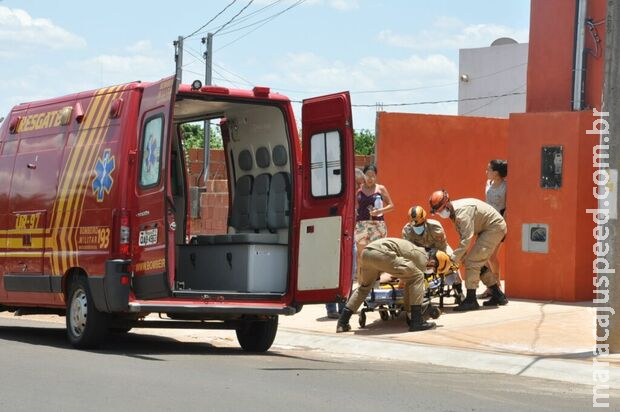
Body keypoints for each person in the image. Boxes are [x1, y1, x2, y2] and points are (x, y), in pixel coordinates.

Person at [336, 237, 456, 333]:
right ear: (433, 261)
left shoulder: (415, 252)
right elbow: (412, 279)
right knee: (418, 276)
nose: (432, 271)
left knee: (364, 288)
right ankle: (416, 321)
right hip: (381, 253)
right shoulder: (422, 256)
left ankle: (342, 322)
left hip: (367, 253)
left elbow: (406, 277)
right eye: (435, 269)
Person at [429, 189, 508, 312]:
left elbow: (466, 239)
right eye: (438, 212)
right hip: (487, 229)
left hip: (494, 228)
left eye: (440, 210)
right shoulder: (453, 212)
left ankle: (471, 300)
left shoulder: (462, 213)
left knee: (472, 262)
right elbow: (463, 236)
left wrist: (452, 259)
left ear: (447, 204)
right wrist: (461, 256)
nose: (440, 214)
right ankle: (498, 295)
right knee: (471, 260)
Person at [402, 205, 464, 303]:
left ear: (424, 220)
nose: (417, 227)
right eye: (415, 225)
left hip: (438, 250)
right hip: (420, 253)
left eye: (420, 225)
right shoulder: (407, 230)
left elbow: (442, 247)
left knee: (451, 262)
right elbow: (408, 251)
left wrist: (434, 259)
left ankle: (458, 290)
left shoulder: (435, 226)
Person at [326, 168, 366, 318]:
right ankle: (331, 309)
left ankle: (344, 307)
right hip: (336, 238)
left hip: (350, 238)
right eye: (357, 184)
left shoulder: (356, 196)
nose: (359, 187)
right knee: (332, 273)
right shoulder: (338, 194)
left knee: (349, 272)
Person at [354, 164, 394, 279]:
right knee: (361, 256)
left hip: (377, 226)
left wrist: (380, 211)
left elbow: (391, 206)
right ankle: (362, 284)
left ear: (376, 177)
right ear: (364, 175)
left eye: (373, 176)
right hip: (362, 225)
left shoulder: (380, 189)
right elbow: (355, 205)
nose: (370, 178)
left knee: (377, 255)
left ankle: (376, 285)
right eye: (368, 175)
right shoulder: (358, 189)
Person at [480, 159, 508, 298]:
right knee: (482, 256)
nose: (487, 172)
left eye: (489, 169)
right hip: (486, 224)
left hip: (498, 225)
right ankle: (491, 286)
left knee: (491, 256)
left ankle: (497, 285)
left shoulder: (505, 187)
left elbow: (508, 208)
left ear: (496, 173)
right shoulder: (488, 184)